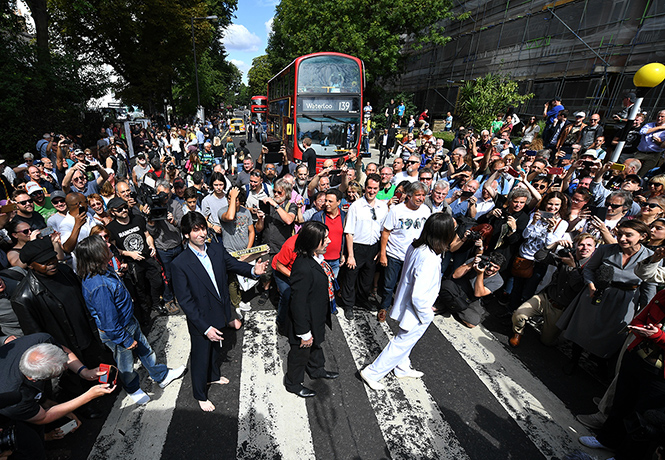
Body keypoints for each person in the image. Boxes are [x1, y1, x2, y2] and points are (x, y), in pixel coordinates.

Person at [171, 212, 267, 411]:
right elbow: (186, 302)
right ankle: (200, 393)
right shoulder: (179, 263)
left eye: (203, 228)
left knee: (216, 349)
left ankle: (213, 376)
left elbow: (233, 264)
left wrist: (252, 271)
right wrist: (205, 328)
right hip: (201, 319)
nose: (201, 233)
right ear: (187, 234)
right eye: (195, 230)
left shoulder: (216, 248)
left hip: (219, 311)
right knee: (200, 355)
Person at [76, 236, 185, 406]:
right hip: (119, 331)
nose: (108, 244)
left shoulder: (104, 270)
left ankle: (161, 376)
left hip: (128, 323)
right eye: (103, 244)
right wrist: (125, 339)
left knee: (146, 350)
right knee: (125, 364)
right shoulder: (99, 285)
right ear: (97, 254)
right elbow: (108, 321)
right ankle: (133, 388)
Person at [359, 213, 455, 390]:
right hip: (417, 309)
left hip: (406, 302)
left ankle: (402, 368)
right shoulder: (430, 258)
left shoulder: (417, 246)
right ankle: (372, 372)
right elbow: (419, 295)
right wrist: (427, 315)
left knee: (405, 341)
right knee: (401, 342)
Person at [557, 220, 657, 374]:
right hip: (597, 292)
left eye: (628, 235)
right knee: (584, 327)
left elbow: (649, 285)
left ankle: (600, 362)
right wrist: (590, 285)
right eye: (620, 234)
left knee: (614, 334)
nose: (622, 238)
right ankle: (574, 359)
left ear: (642, 236)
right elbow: (589, 269)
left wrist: (646, 312)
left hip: (625, 300)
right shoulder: (605, 249)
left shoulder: (651, 257)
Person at [0, 333, 115, 460]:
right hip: (6, 415)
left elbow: (64, 351)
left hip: (25, 392)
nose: (67, 367)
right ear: (35, 379)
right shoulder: (14, 398)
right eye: (62, 369)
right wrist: (88, 396)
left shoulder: (41, 339)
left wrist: (84, 371)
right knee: (29, 444)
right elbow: (43, 417)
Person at [509, 233, 597, 347]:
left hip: (561, 308)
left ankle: (554, 331)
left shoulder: (592, 268)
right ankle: (518, 333)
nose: (585, 248)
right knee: (519, 314)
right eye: (581, 245)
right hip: (546, 298)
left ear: (594, 248)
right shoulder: (567, 256)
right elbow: (539, 256)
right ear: (575, 246)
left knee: (547, 341)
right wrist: (554, 244)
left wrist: (573, 268)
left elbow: (577, 287)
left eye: (589, 245)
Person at [284, 221, 339, 398]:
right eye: (325, 239)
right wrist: (304, 332)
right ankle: (293, 383)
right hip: (305, 321)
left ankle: (316, 370)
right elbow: (297, 303)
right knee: (300, 352)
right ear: (312, 242)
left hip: (317, 316)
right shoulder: (303, 268)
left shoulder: (316, 259)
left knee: (316, 346)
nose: (329, 241)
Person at [106, 197, 167, 323]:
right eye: (119, 209)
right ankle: (146, 313)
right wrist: (129, 254)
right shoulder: (111, 228)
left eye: (125, 207)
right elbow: (114, 248)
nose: (124, 210)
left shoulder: (137, 218)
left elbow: (147, 235)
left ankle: (156, 303)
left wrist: (152, 245)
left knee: (156, 281)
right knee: (140, 288)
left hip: (147, 257)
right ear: (113, 212)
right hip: (132, 262)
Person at [378, 181, 431, 320]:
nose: (420, 198)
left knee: (409, 284)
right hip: (395, 254)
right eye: (417, 195)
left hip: (415, 256)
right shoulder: (397, 210)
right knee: (389, 285)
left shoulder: (426, 210)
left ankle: (403, 308)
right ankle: (384, 307)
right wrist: (383, 254)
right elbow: (386, 232)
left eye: (423, 195)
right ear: (408, 196)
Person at [338, 174, 388, 319]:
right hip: (357, 247)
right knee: (350, 278)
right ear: (365, 188)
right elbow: (349, 232)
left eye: (375, 188)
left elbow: (383, 230)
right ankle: (348, 305)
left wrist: (380, 250)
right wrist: (351, 255)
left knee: (367, 278)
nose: (372, 191)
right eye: (369, 188)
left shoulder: (383, 206)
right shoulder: (356, 206)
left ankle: (362, 300)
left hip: (373, 247)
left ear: (379, 189)